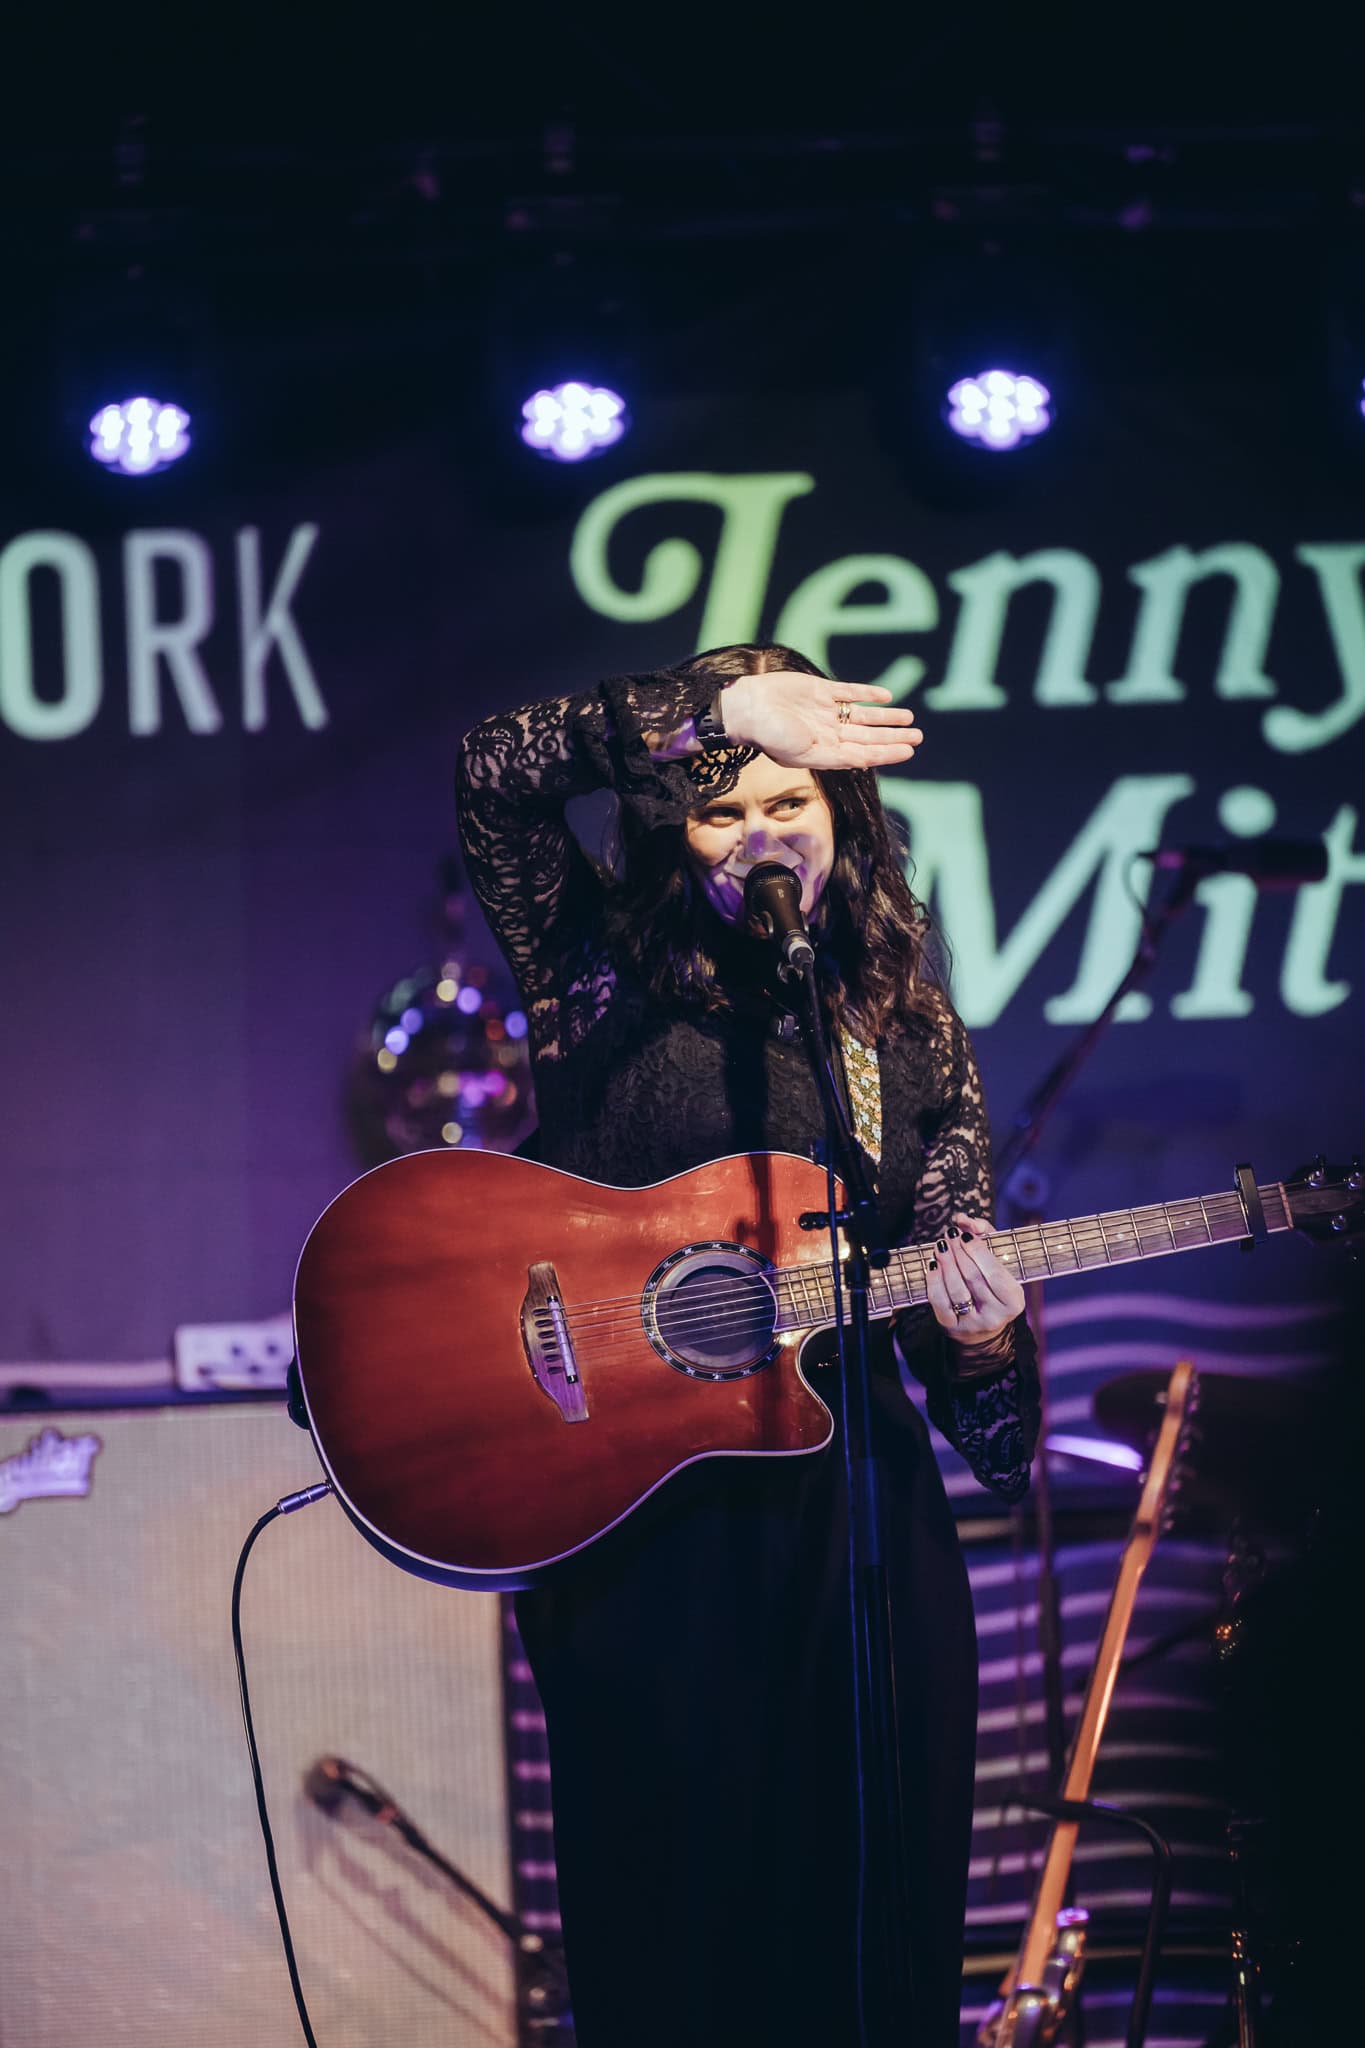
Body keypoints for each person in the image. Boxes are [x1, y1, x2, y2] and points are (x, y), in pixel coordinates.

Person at [456, 645, 1041, 2048]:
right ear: (671, 829)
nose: (760, 836)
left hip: (857, 1534)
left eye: (790, 802)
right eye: (721, 810)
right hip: (643, 1537)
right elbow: (489, 777)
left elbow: (996, 1443)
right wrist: (709, 719)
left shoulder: (903, 1032)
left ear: (845, 817)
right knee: (674, 1953)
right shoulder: (591, 971)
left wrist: (980, 1348)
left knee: (871, 1946)